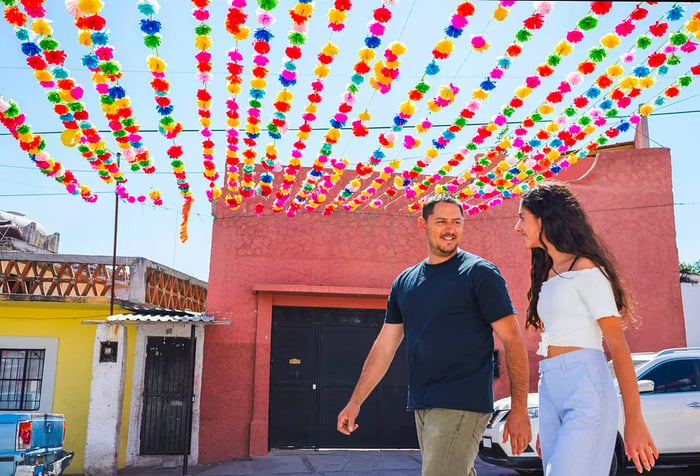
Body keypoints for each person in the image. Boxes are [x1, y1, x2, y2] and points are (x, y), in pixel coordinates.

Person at [337, 193, 531, 476]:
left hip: (462, 401)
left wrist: (519, 409)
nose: (450, 229)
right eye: (441, 221)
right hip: (423, 402)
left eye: (456, 221)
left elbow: (513, 340)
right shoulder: (405, 282)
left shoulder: (479, 274)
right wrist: (356, 401)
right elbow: (385, 346)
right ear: (423, 225)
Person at [514, 181, 658, 475]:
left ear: (543, 219)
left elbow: (617, 345)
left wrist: (634, 420)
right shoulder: (549, 272)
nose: (518, 228)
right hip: (550, 385)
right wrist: (548, 419)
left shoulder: (587, 270)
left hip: (586, 384)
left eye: (522, 218)